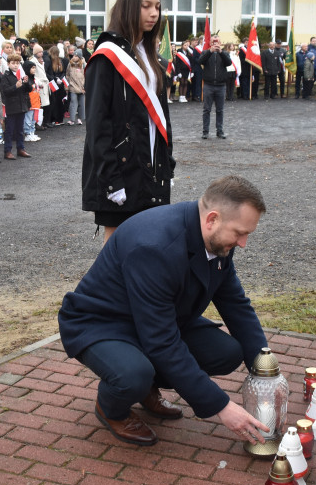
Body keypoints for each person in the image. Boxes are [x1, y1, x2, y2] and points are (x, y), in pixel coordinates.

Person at [58, 175, 272, 446]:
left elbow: (236, 305)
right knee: (133, 375)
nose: (243, 243)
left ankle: (146, 386)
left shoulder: (217, 239)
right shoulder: (155, 247)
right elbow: (162, 342)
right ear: (212, 219)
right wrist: (222, 407)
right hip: (101, 323)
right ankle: (111, 408)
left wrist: (266, 371)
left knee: (227, 353)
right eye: (240, 233)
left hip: (154, 320)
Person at [82, 0, 173, 244]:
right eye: (146, 5)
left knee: (148, 247)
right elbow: (98, 124)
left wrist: (167, 163)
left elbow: (161, 117)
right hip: (121, 169)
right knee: (117, 252)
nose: (154, 13)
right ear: (130, 6)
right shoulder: (107, 56)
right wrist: (111, 179)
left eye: (157, 6)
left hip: (150, 166)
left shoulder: (150, 54)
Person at [0, 51, 32, 159]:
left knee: (20, 129)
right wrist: (15, 86)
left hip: (21, 105)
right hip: (11, 107)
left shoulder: (21, 75)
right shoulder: (6, 76)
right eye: (13, 63)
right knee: (9, 130)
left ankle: (20, 149)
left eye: (17, 63)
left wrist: (26, 83)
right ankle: (7, 151)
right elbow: (5, 91)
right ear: (8, 64)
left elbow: (29, 89)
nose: (16, 65)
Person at [198, 34, 232, 139]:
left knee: (220, 110)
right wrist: (210, 51)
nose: (215, 44)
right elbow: (200, 61)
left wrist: (221, 52)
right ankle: (205, 131)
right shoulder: (205, 52)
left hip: (221, 86)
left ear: (220, 43)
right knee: (207, 109)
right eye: (213, 42)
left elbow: (229, 63)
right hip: (208, 85)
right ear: (210, 43)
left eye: (217, 42)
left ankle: (220, 131)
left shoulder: (225, 53)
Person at [45, 45, 68, 127]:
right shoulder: (49, 61)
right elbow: (50, 72)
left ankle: (59, 118)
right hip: (53, 83)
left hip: (59, 83)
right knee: (53, 101)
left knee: (60, 101)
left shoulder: (60, 61)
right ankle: (53, 118)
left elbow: (63, 71)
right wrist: (55, 78)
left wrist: (60, 78)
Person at [66, 51, 85, 125]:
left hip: (82, 87)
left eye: (76, 56)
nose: (74, 57)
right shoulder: (70, 64)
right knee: (73, 102)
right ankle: (72, 119)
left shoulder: (83, 65)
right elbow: (67, 75)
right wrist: (67, 86)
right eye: (73, 56)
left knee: (81, 103)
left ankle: (80, 118)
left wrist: (84, 87)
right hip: (72, 86)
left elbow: (86, 76)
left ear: (79, 57)